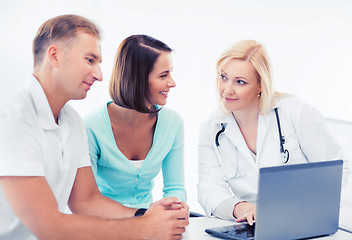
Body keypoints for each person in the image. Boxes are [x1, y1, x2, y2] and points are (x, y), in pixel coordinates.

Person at [0, 14, 188, 240]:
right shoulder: (14, 119)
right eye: (90, 60)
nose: (99, 75)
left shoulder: (73, 122)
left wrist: (144, 215)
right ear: (55, 56)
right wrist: (145, 228)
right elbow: (48, 226)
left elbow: (86, 201)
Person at [197, 39, 350, 225]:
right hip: (253, 224)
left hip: (305, 218)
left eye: (240, 82)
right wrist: (242, 208)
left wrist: (308, 209)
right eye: (223, 77)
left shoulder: (295, 113)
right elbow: (209, 189)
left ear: (261, 85)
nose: (227, 90)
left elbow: (336, 170)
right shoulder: (212, 129)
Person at [84, 34, 187, 209]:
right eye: (163, 75)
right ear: (137, 79)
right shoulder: (91, 126)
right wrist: (142, 216)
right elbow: (87, 201)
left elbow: (175, 187)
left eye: (171, 73)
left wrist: (174, 206)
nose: (172, 83)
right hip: (104, 222)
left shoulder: (173, 123)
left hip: (151, 220)